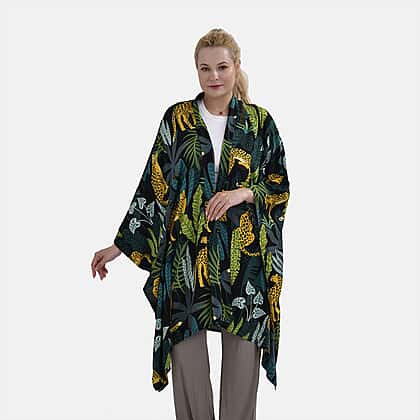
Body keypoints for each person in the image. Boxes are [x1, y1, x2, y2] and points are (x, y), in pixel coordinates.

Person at [91, 28, 290, 420]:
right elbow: (154, 185)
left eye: (222, 67)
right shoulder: (177, 119)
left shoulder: (259, 123)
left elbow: (278, 184)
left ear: (237, 66)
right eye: (205, 68)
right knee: (189, 368)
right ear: (196, 70)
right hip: (185, 259)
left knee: (242, 371)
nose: (214, 76)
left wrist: (242, 193)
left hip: (244, 264)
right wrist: (120, 246)